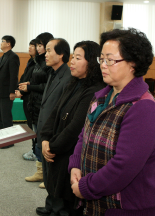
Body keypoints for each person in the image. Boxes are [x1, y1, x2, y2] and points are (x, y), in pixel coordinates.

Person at [69, 28, 155, 216]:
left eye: (110, 60)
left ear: (133, 64)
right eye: (101, 59)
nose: (103, 65)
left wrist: (86, 187)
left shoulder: (143, 107)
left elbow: (124, 166)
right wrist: (75, 164)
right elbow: (84, 135)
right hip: (98, 201)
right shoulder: (103, 96)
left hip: (127, 207)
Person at [39, 41, 105, 216]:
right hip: (57, 149)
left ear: (91, 62)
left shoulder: (95, 90)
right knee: (56, 197)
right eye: (73, 57)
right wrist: (45, 138)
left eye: (78, 58)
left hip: (70, 154)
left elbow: (76, 127)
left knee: (66, 205)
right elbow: (55, 112)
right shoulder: (74, 82)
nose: (72, 62)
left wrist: (52, 146)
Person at [18, 32, 54, 183]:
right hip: (33, 103)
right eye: (37, 45)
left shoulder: (49, 63)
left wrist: (30, 87)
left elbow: (48, 86)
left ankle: (46, 174)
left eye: (41, 45)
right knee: (36, 137)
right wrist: (27, 86)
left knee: (43, 139)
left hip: (42, 105)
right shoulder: (37, 62)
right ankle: (40, 171)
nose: (39, 48)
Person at [0, 35, 20, 149]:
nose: (1, 43)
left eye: (2, 41)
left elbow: (14, 76)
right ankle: (1, 138)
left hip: (7, 92)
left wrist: (12, 91)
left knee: (6, 117)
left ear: (8, 44)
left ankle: (9, 141)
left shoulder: (13, 57)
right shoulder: (3, 57)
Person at [16, 39, 38, 160]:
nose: (30, 48)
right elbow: (24, 77)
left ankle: (36, 151)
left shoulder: (38, 64)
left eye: (33, 46)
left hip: (32, 97)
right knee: (31, 125)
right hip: (27, 96)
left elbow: (32, 81)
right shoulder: (31, 61)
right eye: (29, 45)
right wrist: (18, 89)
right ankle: (34, 148)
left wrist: (23, 90)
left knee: (34, 126)